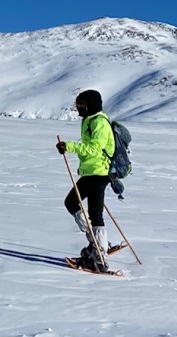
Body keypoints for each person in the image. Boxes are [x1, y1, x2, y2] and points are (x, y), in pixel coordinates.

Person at [56, 89, 115, 272]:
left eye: (82, 104)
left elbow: (95, 149)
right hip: (90, 173)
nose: (79, 108)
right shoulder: (89, 121)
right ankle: (97, 244)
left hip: (99, 174)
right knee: (71, 203)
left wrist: (70, 146)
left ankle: (100, 257)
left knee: (95, 214)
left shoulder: (99, 122)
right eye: (78, 104)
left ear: (91, 105)